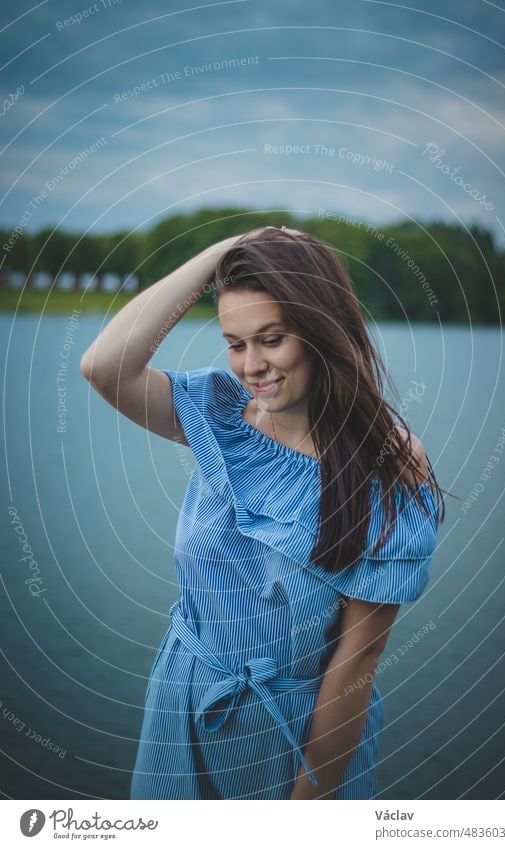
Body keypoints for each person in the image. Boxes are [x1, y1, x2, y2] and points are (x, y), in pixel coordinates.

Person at [80, 225, 445, 800]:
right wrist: (220, 254)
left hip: (296, 738)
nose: (252, 365)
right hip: (184, 708)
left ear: (321, 331)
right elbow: (104, 366)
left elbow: (360, 657)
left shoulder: (388, 468)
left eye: (271, 339)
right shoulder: (216, 416)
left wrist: (306, 808)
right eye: (235, 342)